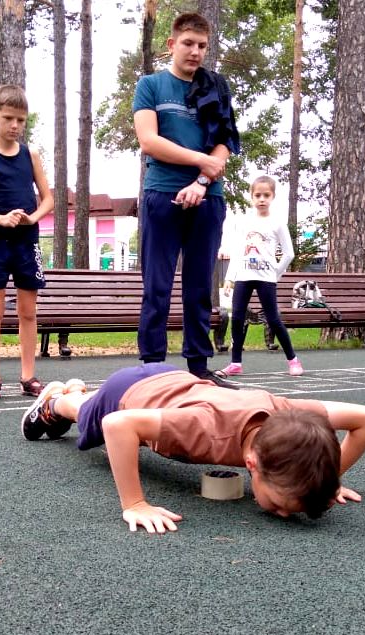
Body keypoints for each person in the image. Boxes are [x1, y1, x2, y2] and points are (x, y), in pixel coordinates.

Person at [20, 364, 365, 533]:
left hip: (176, 381)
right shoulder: (206, 429)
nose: (285, 515)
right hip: (128, 392)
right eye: (279, 504)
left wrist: (325, 477)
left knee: (96, 412)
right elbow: (118, 425)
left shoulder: (287, 413)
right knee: (88, 420)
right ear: (252, 464)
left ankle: (76, 390)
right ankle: (57, 401)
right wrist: (135, 504)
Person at [132, 12, 240, 389]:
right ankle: (152, 368)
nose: (195, 52)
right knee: (156, 286)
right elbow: (149, 141)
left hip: (208, 198)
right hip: (162, 195)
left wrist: (202, 180)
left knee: (198, 287)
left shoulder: (217, 87)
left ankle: (199, 367)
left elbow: (225, 143)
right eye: (188, 44)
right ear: (172, 44)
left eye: (202, 46)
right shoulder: (150, 85)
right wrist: (200, 161)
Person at [0, 84, 54, 402]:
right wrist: (0, 219)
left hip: (26, 241)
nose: (14, 126)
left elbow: (48, 199)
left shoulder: (31, 155)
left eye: (21, 120)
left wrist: (32, 218)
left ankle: (28, 376)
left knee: (28, 311)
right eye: (8, 119)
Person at [219, 175, 302, 377]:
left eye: (266, 195)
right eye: (258, 195)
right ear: (252, 196)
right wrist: (230, 277)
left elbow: (289, 253)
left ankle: (293, 360)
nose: (262, 199)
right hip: (244, 276)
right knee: (237, 318)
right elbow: (238, 251)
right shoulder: (244, 222)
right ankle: (235, 363)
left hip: (266, 278)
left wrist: (276, 273)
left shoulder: (277, 223)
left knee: (273, 319)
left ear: (273, 196)